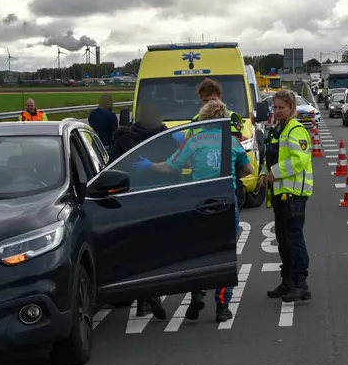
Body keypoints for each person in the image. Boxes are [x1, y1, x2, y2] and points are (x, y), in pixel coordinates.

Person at [134, 99, 252, 323]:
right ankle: (222, 306)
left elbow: (170, 166)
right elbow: (248, 169)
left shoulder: (193, 141)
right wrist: (231, 175)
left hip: (201, 202)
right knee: (226, 253)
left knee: (199, 250)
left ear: (203, 118)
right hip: (226, 199)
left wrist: (149, 165)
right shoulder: (232, 141)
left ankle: (197, 293)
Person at [106, 102, 170, 321]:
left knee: (137, 249)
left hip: (130, 198)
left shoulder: (125, 138)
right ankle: (150, 294)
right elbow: (176, 166)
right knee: (158, 250)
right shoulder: (166, 138)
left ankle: (142, 296)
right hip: (160, 198)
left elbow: (110, 167)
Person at [259, 89, 313, 303]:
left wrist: (275, 172)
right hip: (280, 193)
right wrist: (264, 173)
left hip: (294, 193)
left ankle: (301, 284)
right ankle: (288, 281)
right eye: (275, 107)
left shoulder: (296, 130)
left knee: (294, 238)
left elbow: (300, 159)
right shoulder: (277, 130)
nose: (278, 111)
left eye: (282, 107)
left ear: (292, 108)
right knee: (282, 239)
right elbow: (270, 158)